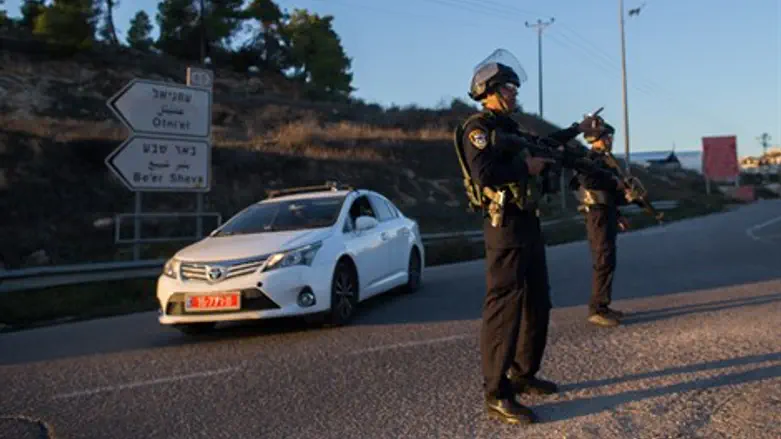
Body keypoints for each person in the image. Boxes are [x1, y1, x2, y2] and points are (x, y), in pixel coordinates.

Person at [454, 48, 603, 425]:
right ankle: (496, 392)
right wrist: (525, 166)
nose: (514, 94)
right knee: (504, 308)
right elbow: (484, 173)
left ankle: (523, 372)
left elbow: (546, 146)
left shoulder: (511, 129)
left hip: (527, 221)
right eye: (509, 88)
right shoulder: (479, 129)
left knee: (538, 301)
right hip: (504, 227)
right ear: (490, 90)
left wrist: (577, 131)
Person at [571, 120, 631, 327]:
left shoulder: (605, 161)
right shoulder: (589, 161)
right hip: (597, 214)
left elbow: (611, 192)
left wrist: (619, 212)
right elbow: (589, 183)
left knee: (608, 260)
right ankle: (597, 308)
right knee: (602, 260)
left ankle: (603, 305)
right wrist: (614, 182)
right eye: (606, 137)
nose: (610, 141)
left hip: (607, 212)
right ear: (594, 139)